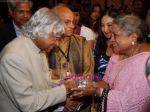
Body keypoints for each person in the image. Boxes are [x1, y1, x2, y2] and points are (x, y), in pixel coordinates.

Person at [0, 7, 75, 112]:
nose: (57, 43)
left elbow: (40, 84)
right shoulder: (13, 57)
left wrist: (56, 79)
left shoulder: (39, 48)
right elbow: (29, 104)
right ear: (39, 31)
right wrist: (64, 90)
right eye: (54, 37)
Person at [71, 15, 150, 112]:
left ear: (133, 37)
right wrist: (82, 84)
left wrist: (96, 91)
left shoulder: (144, 62)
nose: (111, 40)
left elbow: (130, 104)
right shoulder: (117, 55)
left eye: (115, 35)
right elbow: (106, 83)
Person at [49, 4, 94, 78]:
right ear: (54, 22)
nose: (72, 26)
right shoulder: (46, 44)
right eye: (67, 22)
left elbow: (88, 73)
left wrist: (79, 87)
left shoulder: (81, 42)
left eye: (72, 22)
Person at [94, 8, 120, 80]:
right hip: (98, 86)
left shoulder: (124, 46)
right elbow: (95, 73)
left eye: (109, 25)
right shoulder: (99, 43)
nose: (105, 30)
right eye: (102, 25)